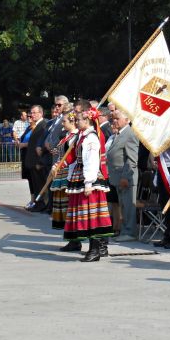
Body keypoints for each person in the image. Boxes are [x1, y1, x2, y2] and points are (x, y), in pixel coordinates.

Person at [63, 110, 113, 261]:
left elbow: (91, 161)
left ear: (87, 121)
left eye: (78, 120)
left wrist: (89, 182)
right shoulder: (82, 136)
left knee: (93, 215)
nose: (76, 122)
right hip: (82, 176)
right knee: (87, 214)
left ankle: (95, 250)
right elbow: (76, 159)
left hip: (89, 179)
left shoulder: (91, 138)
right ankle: (93, 249)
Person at [106, 108, 139, 241]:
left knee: (128, 205)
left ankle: (130, 232)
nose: (114, 121)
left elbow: (131, 159)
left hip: (126, 176)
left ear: (127, 120)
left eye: (117, 118)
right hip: (117, 176)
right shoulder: (119, 133)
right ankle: (125, 230)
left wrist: (126, 176)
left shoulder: (130, 134)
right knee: (123, 205)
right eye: (113, 118)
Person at [52, 113, 79, 244]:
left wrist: (58, 164)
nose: (62, 124)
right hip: (61, 173)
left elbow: (71, 157)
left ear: (72, 121)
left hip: (69, 173)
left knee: (69, 207)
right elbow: (61, 153)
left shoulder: (76, 136)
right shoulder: (67, 136)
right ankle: (70, 239)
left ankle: (74, 240)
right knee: (63, 208)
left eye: (64, 121)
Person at [24, 105, 49, 211]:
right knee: (35, 184)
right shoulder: (36, 125)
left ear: (41, 113)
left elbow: (42, 145)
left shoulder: (44, 125)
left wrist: (40, 162)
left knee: (39, 184)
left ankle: (41, 204)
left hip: (37, 161)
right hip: (32, 161)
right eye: (31, 112)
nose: (32, 115)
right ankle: (37, 203)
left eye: (34, 113)